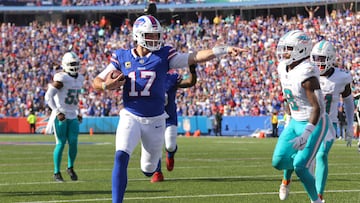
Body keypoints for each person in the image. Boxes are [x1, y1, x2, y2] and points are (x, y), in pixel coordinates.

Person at [91, 15, 245, 203]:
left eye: (157, 35)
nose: (155, 39)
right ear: (139, 35)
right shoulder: (122, 56)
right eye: (151, 35)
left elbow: (193, 56)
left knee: (149, 169)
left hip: (156, 120)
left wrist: (224, 50)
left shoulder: (164, 54)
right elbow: (96, 81)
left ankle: (151, 167)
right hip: (130, 114)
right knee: (121, 156)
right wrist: (108, 85)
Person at [271, 30, 329, 203]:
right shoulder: (283, 67)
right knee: (278, 161)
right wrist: (289, 116)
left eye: (288, 49)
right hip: (295, 120)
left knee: (301, 166)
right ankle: (286, 179)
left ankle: (316, 201)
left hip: (314, 121)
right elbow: (288, 95)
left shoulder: (307, 71)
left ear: (301, 49)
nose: (284, 52)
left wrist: (306, 134)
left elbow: (317, 108)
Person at [310, 40, 354, 201]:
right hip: (308, 122)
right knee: (302, 160)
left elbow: (348, 102)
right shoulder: (307, 72)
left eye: (322, 59)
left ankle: (318, 196)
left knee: (321, 155)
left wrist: (350, 126)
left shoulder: (342, 77)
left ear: (330, 58)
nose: (318, 62)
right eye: (316, 58)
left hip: (329, 124)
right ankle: (286, 180)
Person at [151, 64, 198, 183]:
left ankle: (170, 154)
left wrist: (192, 71)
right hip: (153, 117)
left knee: (170, 146)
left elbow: (189, 82)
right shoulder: (145, 78)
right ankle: (157, 172)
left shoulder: (171, 78)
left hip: (169, 117)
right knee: (155, 146)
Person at [45, 51, 84, 182]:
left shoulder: (80, 78)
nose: (74, 66)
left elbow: (75, 98)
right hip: (61, 115)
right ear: (65, 65)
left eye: (76, 63)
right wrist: (57, 111)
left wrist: (78, 112)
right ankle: (56, 172)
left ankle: (70, 167)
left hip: (73, 115)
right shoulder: (61, 78)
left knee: (73, 143)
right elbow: (48, 96)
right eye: (72, 64)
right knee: (61, 143)